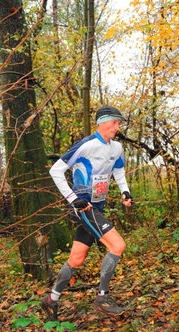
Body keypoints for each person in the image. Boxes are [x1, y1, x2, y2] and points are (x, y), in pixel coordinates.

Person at [41, 105, 132, 320]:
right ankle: (102, 298)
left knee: (76, 259)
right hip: (84, 208)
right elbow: (56, 170)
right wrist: (74, 199)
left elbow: (118, 170)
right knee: (118, 245)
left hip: (97, 207)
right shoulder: (86, 145)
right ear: (101, 122)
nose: (117, 127)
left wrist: (125, 191)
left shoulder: (116, 148)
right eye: (114, 122)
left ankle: (50, 300)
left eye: (119, 123)